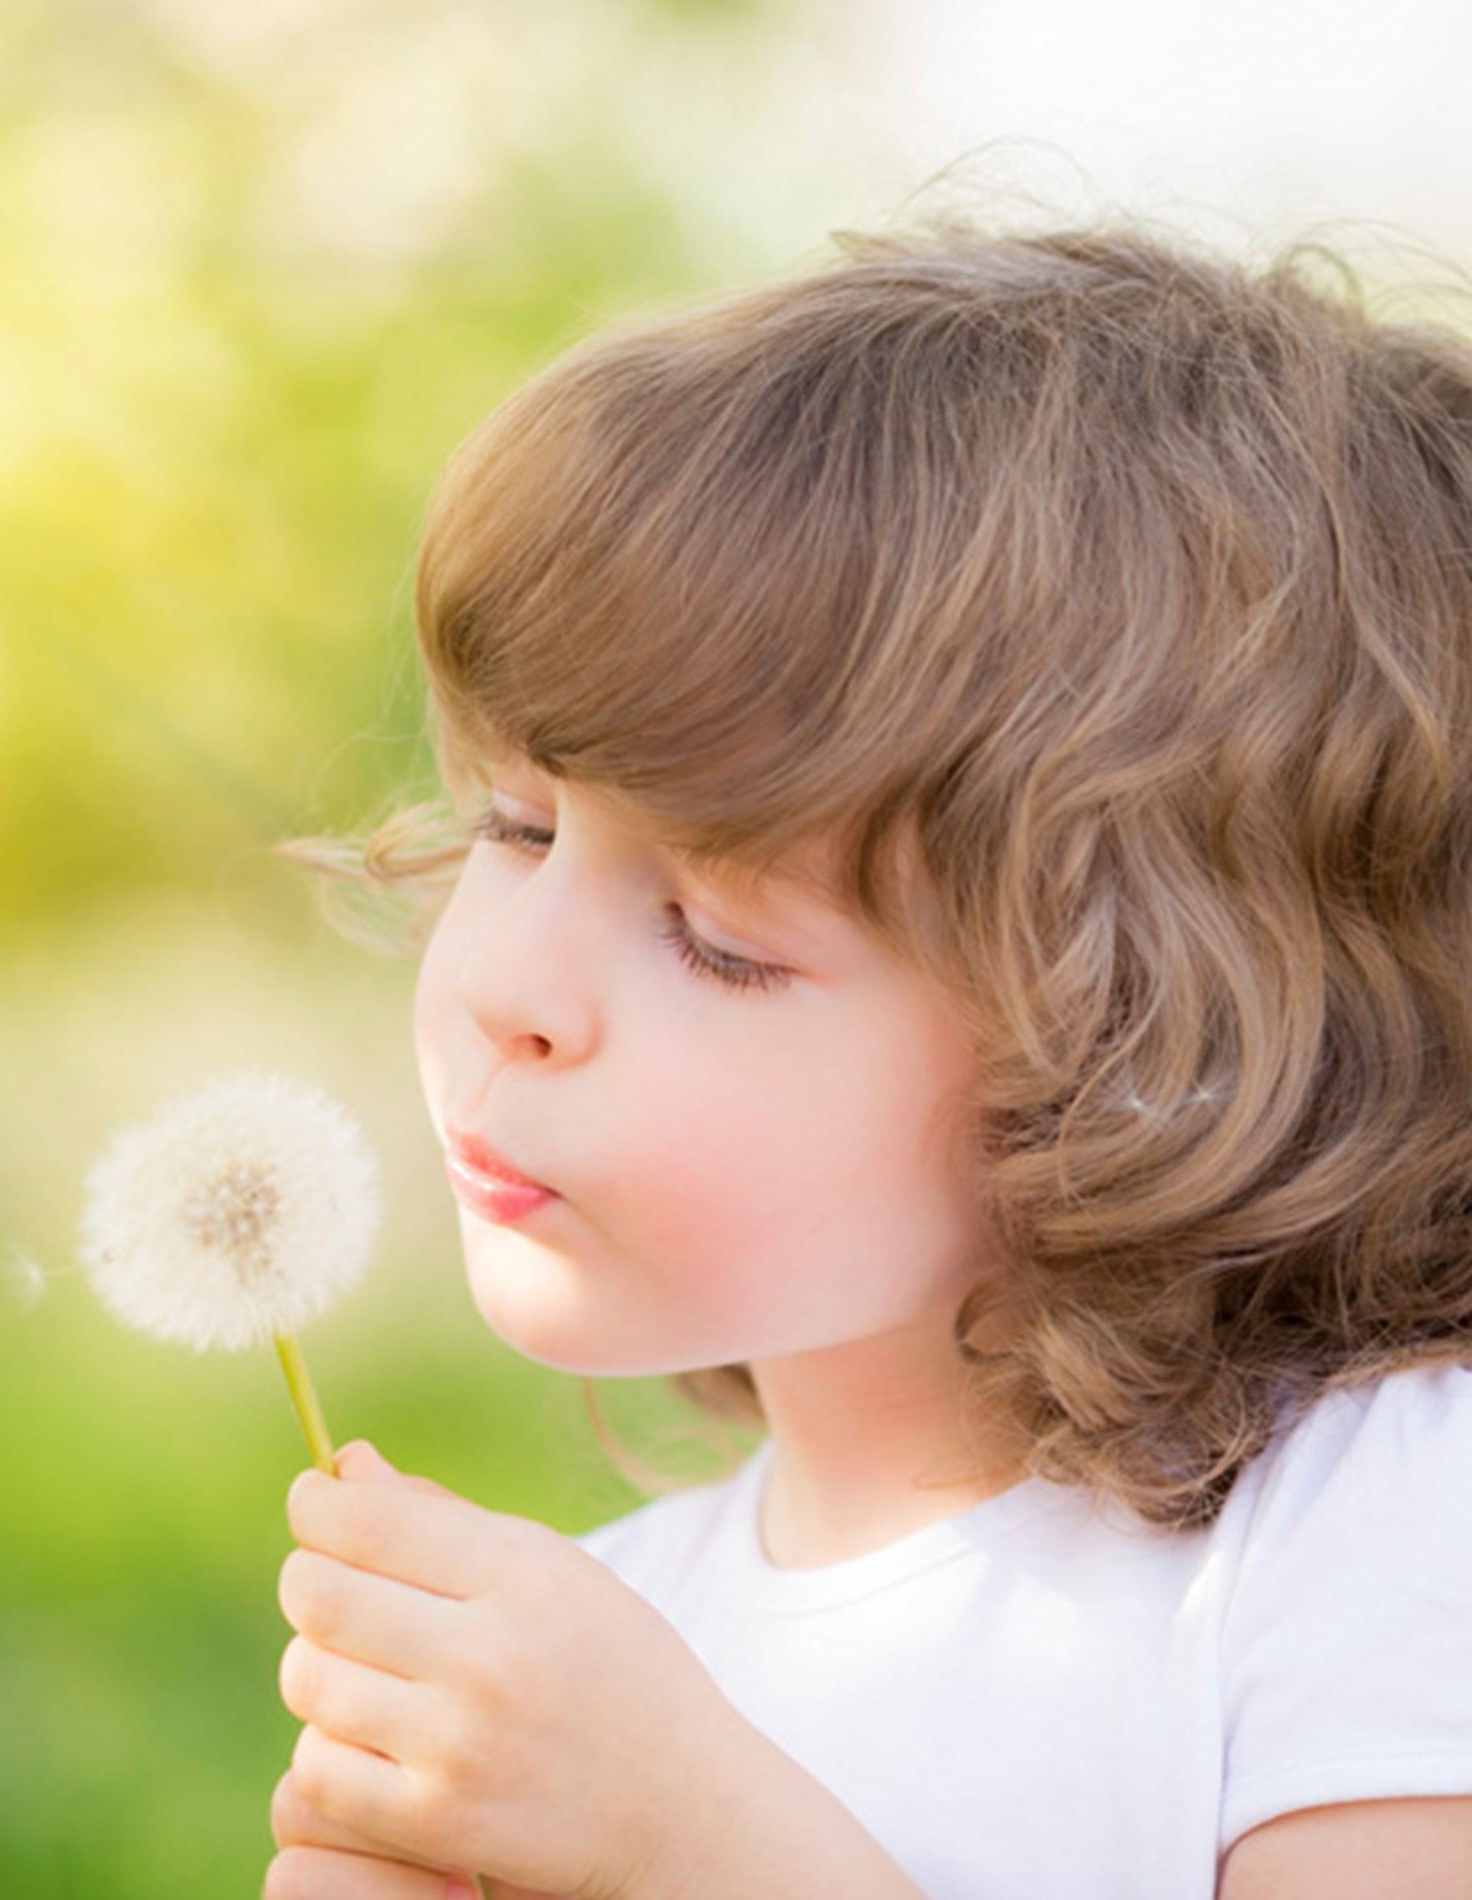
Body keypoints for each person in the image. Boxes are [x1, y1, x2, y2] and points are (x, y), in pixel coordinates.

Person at [264, 217, 1472, 1899]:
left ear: (1148, 1051)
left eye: (718, 935)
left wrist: (690, 1847)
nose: (508, 985)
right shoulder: (614, 1644)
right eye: (519, 826)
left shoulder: (1383, 1532)